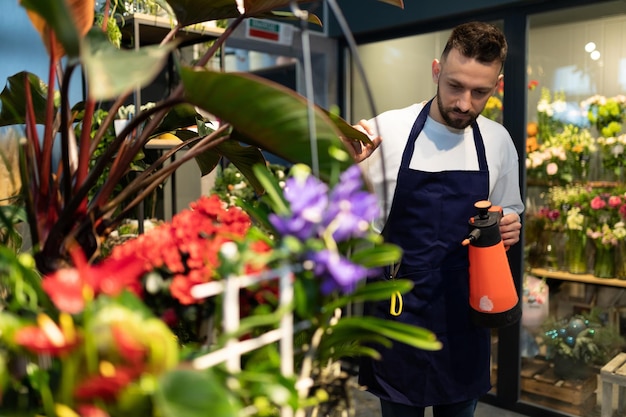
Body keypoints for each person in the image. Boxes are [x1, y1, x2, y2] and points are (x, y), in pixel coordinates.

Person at [346, 21, 524, 417]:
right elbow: (350, 225)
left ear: (496, 85)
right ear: (435, 71)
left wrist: (509, 223)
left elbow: (508, 209)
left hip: (465, 316)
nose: (464, 103)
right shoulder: (383, 131)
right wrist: (346, 171)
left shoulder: (497, 142)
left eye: (480, 92)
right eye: (455, 86)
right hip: (398, 310)